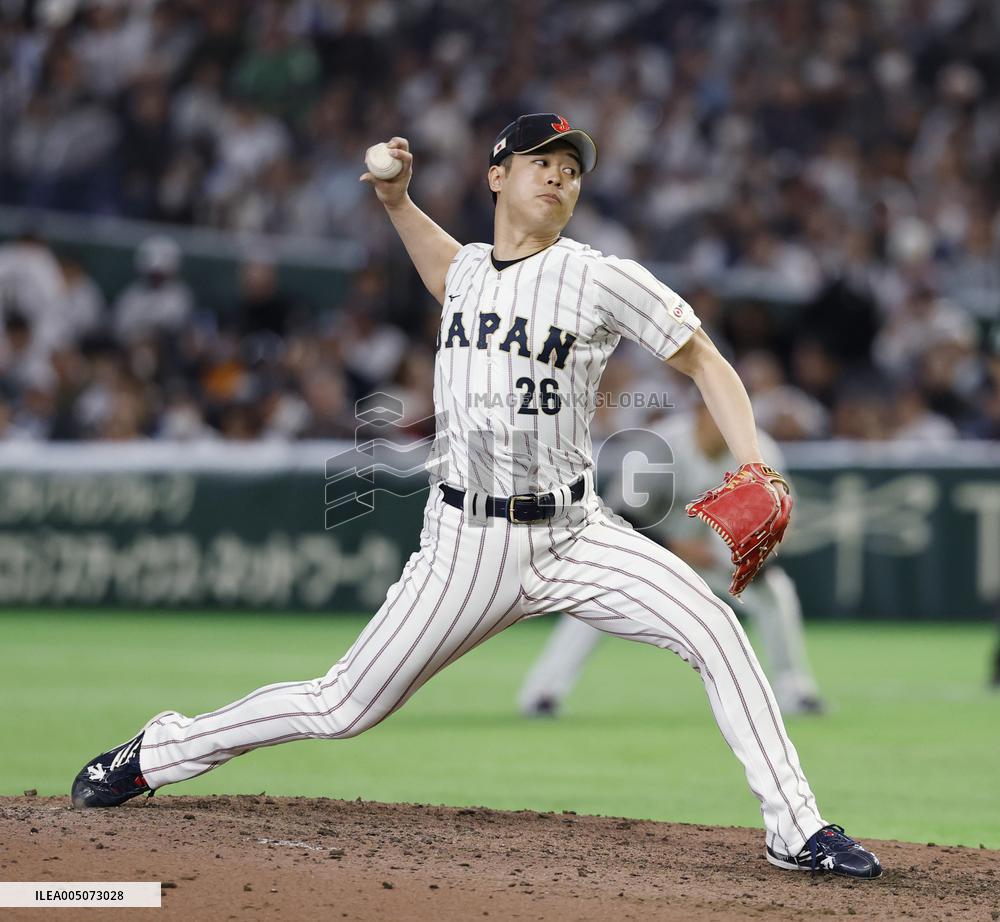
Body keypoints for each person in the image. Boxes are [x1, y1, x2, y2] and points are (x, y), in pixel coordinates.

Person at [70, 114, 881, 879]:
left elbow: (706, 360)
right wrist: (395, 199)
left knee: (713, 627)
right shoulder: (463, 273)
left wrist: (755, 465)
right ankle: (159, 752)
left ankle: (796, 829)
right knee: (344, 705)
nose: (560, 180)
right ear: (498, 175)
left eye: (572, 172)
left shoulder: (596, 276)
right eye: (543, 165)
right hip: (467, 543)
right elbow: (442, 261)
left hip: (575, 532)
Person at [518, 403, 826, 719]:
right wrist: (679, 548)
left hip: (715, 553)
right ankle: (544, 691)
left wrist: (760, 556)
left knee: (775, 590)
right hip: (645, 548)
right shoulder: (660, 446)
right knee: (597, 598)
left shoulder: (759, 451)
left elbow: (781, 513)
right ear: (701, 414)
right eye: (722, 414)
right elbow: (619, 518)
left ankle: (794, 689)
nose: (731, 425)